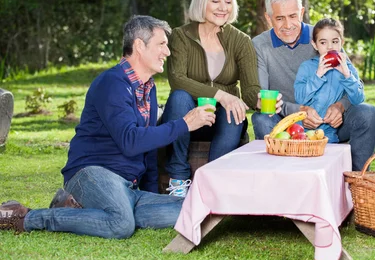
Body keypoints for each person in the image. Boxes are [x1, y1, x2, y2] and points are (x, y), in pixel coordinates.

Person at [0, 15, 215, 237]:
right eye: (161, 44)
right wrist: (184, 124)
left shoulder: (148, 88)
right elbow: (130, 142)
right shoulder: (112, 83)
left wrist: (149, 194)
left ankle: (85, 210)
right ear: (139, 46)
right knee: (122, 224)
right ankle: (27, 217)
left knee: (188, 209)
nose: (167, 52)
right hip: (92, 174)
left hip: (128, 188)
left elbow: (147, 150)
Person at [251, 0, 375, 171]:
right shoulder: (259, 45)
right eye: (279, 18)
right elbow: (264, 97)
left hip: (329, 122)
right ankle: (278, 179)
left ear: (301, 13)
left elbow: (354, 82)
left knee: (368, 113)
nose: (288, 25)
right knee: (261, 119)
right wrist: (299, 111)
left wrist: (340, 106)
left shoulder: (323, 36)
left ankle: (357, 181)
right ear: (269, 18)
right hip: (286, 121)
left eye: (293, 16)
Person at [161, 0, 263, 197]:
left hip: (222, 123)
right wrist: (221, 95)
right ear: (202, 2)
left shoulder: (240, 41)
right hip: (186, 117)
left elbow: (249, 89)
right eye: (215, 1)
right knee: (179, 97)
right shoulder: (181, 36)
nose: (223, 7)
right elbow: (177, 78)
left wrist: (258, 99)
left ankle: (210, 182)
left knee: (233, 111)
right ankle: (178, 179)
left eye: (228, 1)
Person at [294, 18, 365, 142]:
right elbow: (300, 98)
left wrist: (347, 75)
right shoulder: (306, 67)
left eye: (335, 41)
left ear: (341, 43)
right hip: (302, 130)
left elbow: (358, 99)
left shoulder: (347, 68)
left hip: (329, 133)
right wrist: (318, 75)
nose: (329, 47)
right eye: (323, 42)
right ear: (314, 44)